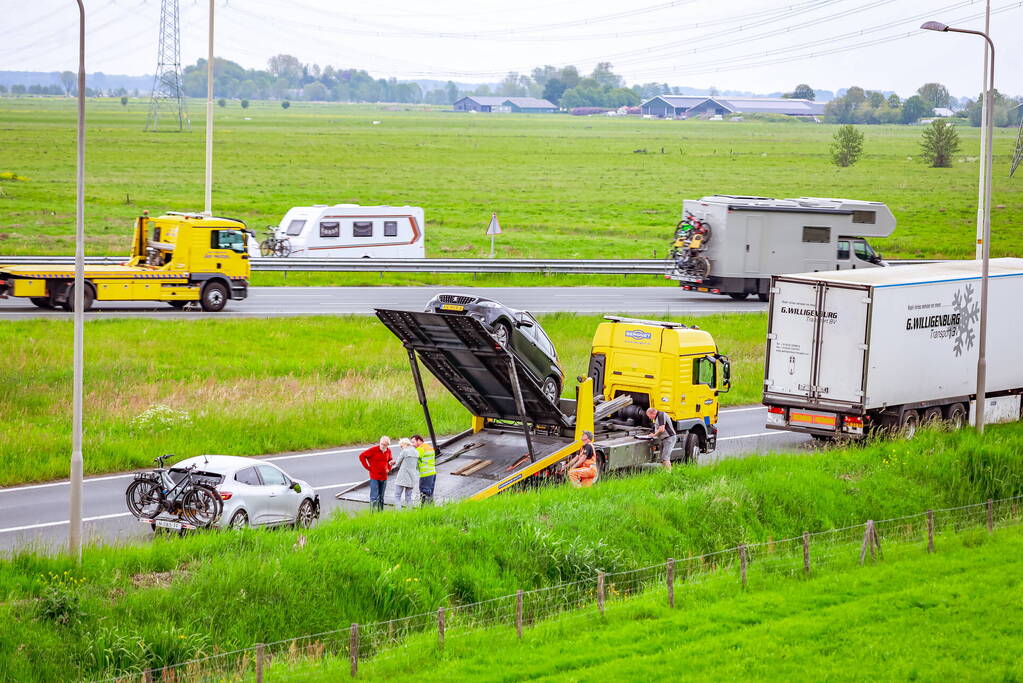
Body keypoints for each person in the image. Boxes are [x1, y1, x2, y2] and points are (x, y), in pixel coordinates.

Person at [359, 436, 393, 511]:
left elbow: (390, 461)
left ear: (388, 445)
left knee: (381, 497)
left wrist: (389, 468)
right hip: (374, 477)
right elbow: (362, 456)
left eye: (385, 445)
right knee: (374, 497)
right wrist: (368, 467)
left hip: (384, 477)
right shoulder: (374, 450)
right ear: (379, 442)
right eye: (381, 444)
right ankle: (373, 514)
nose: (383, 446)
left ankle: (380, 513)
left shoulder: (388, 451)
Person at [645, 406, 677, 471]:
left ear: (652, 414)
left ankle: (669, 474)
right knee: (662, 459)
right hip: (664, 439)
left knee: (665, 458)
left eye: (649, 416)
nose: (649, 418)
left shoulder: (660, 415)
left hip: (669, 438)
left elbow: (662, 429)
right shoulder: (657, 417)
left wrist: (654, 435)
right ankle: (665, 472)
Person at [393, 437, 419, 510]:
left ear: (405, 444)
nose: (401, 448)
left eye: (401, 446)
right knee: (408, 497)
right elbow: (416, 465)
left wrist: (393, 464)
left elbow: (397, 464)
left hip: (402, 477)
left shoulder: (405, 451)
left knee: (397, 496)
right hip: (412, 477)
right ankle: (409, 513)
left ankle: (399, 513)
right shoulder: (416, 452)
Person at [411, 434, 436, 505]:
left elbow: (414, 459)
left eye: (413, 442)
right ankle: (431, 509)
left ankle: (424, 509)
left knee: (424, 493)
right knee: (430, 493)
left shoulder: (420, 449)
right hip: (432, 473)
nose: (412, 445)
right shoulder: (429, 447)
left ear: (419, 440)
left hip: (425, 474)